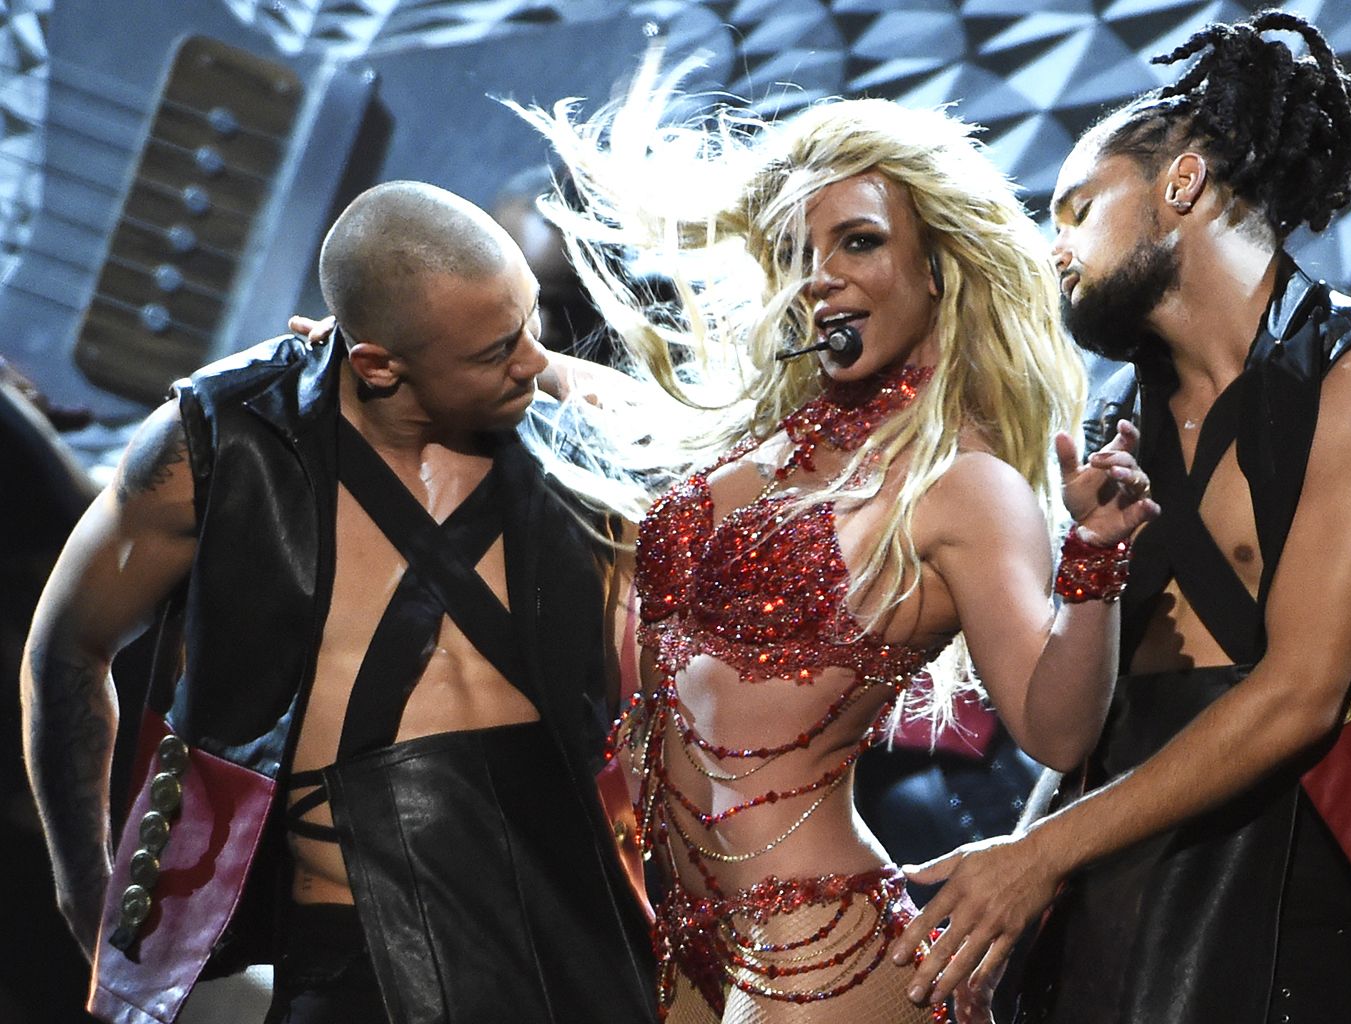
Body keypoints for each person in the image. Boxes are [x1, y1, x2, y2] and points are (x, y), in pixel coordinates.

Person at [890, 12, 1351, 1023]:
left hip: (1298, 917)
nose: (1054, 249)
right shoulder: (1114, 439)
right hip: (1113, 903)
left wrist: (1034, 856)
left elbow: (1301, 696)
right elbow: (1074, 732)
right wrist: (1086, 564)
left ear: (1180, 184)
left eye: (1075, 208)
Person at [512, 60, 1159, 1023]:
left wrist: (1096, 558)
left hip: (826, 960)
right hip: (679, 944)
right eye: (803, 249)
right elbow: (641, 414)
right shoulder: (769, 439)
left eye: (859, 242)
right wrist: (515, 364)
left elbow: (1056, 731)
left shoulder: (965, 486)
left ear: (939, 266)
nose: (822, 277)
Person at [21, 180, 657, 1023]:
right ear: (379, 364)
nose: (536, 361)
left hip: (578, 923)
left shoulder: (579, 433)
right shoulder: (222, 442)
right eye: (495, 349)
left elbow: (710, 442)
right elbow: (65, 650)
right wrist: (84, 886)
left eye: (529, 324)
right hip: (359, 954)